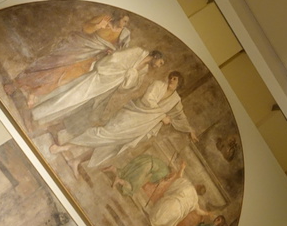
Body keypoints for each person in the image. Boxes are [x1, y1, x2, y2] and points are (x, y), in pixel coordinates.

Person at [51, 71, 198, 170]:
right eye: (171, 78)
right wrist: (162, 116)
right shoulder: (158, 85)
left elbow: (180, 115)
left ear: (179, 84)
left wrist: (190, 130)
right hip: (131, 115)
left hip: (141, 128)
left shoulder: (175, 100)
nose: (171, 80)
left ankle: (76, 161)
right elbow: (147, 100)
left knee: (111, 148)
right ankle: (65, 147)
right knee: (104, 134)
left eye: (175, 80)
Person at [7, 12, 131, 107]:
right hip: (78, 46)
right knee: (51, 64)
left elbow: (119, 51)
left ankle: (34, 93)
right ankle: (16, 83)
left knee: (65, 77)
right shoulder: (105, 18)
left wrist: (111, 52)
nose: (124, 24)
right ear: (119, 16)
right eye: (124, 21)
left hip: (90, 56)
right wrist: (98, 26)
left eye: (126, 23)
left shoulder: (123, 34)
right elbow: (85, 28)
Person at [30, 48, 165, 125]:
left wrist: (131, 75)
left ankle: (41, 116)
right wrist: (119, 72)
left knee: (77, 102)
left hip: (107, 86)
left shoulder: (144, 70)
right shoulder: (137, 52)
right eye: (161, 62)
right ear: (156, 56)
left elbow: (132, 86)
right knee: (71, 95)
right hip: (101, 75)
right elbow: (116, 58)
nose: (159, 66)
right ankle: (37, 111)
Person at [146, 160, 206, 226]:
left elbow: (179, 178)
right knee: (168, 225)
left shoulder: (188, 185)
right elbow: (198, 211)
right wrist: (208, 213)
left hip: (173, 204)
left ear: (197, 186)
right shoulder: (195, 200)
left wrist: (182, 168)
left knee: (158, 214)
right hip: (179, 213)